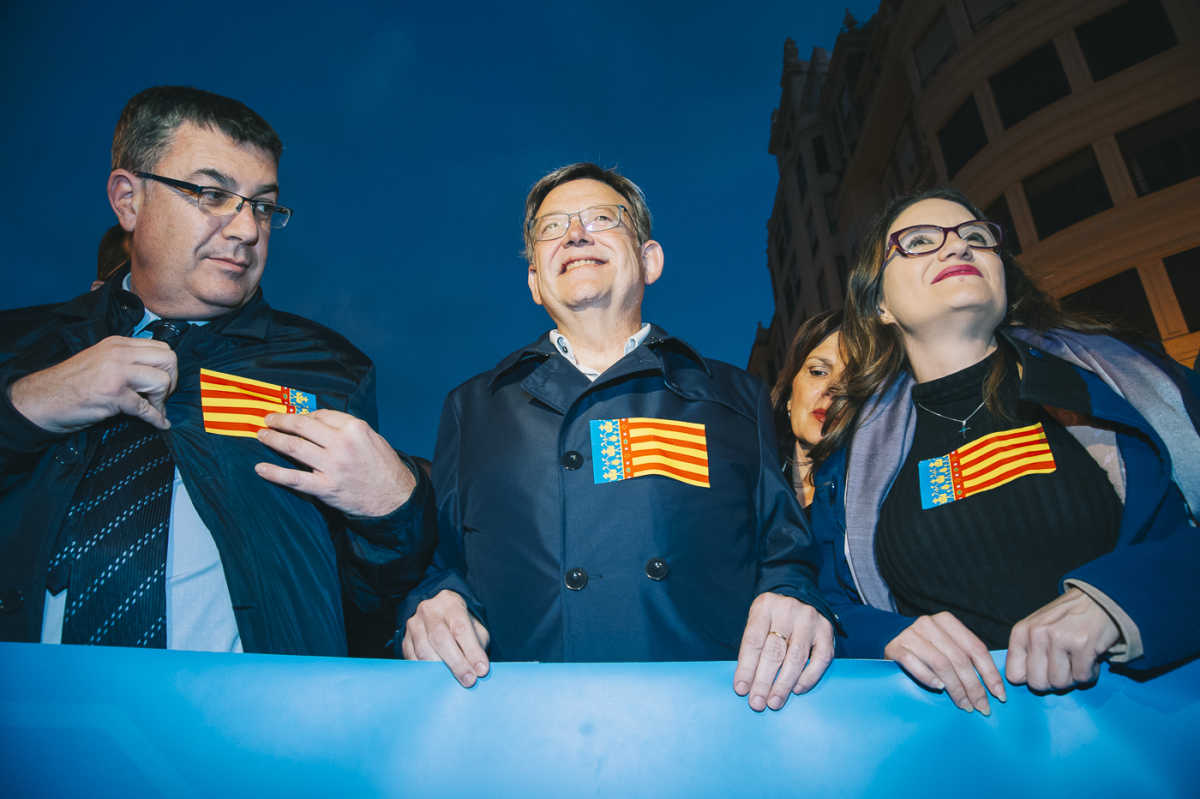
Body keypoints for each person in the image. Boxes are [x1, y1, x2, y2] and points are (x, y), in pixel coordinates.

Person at [0, 86, 434, 656]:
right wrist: (24, 409)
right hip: (29, 717)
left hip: (238, 726)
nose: (247, 230)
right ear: (128, 199)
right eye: (210, 193)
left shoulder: (326, 369)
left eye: (262, 205)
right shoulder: (19, 346)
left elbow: (368, 591)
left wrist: (398, 511)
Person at [400, 163, 835, 711]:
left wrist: (792, 595)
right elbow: (443, 564)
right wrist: (435, 602)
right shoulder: (472, 408)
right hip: (525, 723)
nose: (576, 234)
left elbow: (787, 554)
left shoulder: (735, 396)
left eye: (602, 218)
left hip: (707, 718)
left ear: (650, 260)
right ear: (535, 280)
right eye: (551, 228)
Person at [809, 187, 1200, 714]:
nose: (957, 249)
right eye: (919, 242)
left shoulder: (1128, 383)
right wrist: (889, 636)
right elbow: (829, 602)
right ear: (878, 303)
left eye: (975, 237)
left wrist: (1122, 601)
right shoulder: (850, 463)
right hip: (969, 756)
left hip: (1158, 731)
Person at [770, 310, 844, 507]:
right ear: (789, 395)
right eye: (818, 372)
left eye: (851, 381)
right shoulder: (750, 490)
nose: (832, 389)